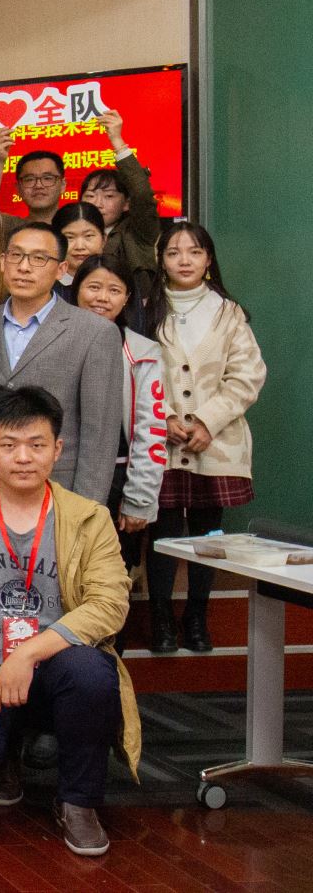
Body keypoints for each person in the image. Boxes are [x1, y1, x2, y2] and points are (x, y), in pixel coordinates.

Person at [0, 386, 138, 858]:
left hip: (57, 662)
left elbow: (110, 603)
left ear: (57, 449)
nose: (23, 457)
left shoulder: (89, 518)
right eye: (9, 445)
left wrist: (28, 653)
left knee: (92, 675)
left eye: (37, 444)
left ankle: (78, 802)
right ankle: (4, 755)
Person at [0, 222, 127, 513]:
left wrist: (86, 513)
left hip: (58, 493)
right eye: (16, 256)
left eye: (39, 258)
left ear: (61, 269)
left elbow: (100, 436)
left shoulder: (95, 332)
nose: (24, 267)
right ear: (2, 262)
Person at [143, 222, 265, 654]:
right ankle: (161, 617)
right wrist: (165, 418)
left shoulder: (229, 313)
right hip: (162, 441)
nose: (184, 261)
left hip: (215, 442)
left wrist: (206, 421)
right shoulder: (146, 309)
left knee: (207, 535)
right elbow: (138, 370)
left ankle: (197, 615)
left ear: (208, 259)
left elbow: (248, 375)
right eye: (174, 253)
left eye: (194, 252)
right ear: (161, 260)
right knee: (163, 533)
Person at [71, 257, 167, 629]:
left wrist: (140, 498)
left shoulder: (142, 351)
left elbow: (151, 430)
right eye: (93, 287)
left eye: (114, 290)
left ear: (127, 298)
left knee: (109, 582)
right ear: (76, 289)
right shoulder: (51, 340)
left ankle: (109, 657)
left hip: (117, 480)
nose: (102, 298)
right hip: (59, 475)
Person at [73, 110, 165, 281]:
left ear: (126, 203)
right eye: (90, 196)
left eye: (108, 196)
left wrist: (116, 140)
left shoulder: (137, 232)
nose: (97, 204)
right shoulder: (68, 234)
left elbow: (141, 192)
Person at [0, 145, 68, 229]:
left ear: (62, 185)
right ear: (18, 188)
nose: (38, 185)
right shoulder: (9, 227)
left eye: (47, 178)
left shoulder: (75, 227)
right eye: (29, 179)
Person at [51, 203, 107, 290]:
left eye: (88, 236)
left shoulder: (119, 281)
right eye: (69, 237)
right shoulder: (45, 287)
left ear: (104, 239)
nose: (79, 246)